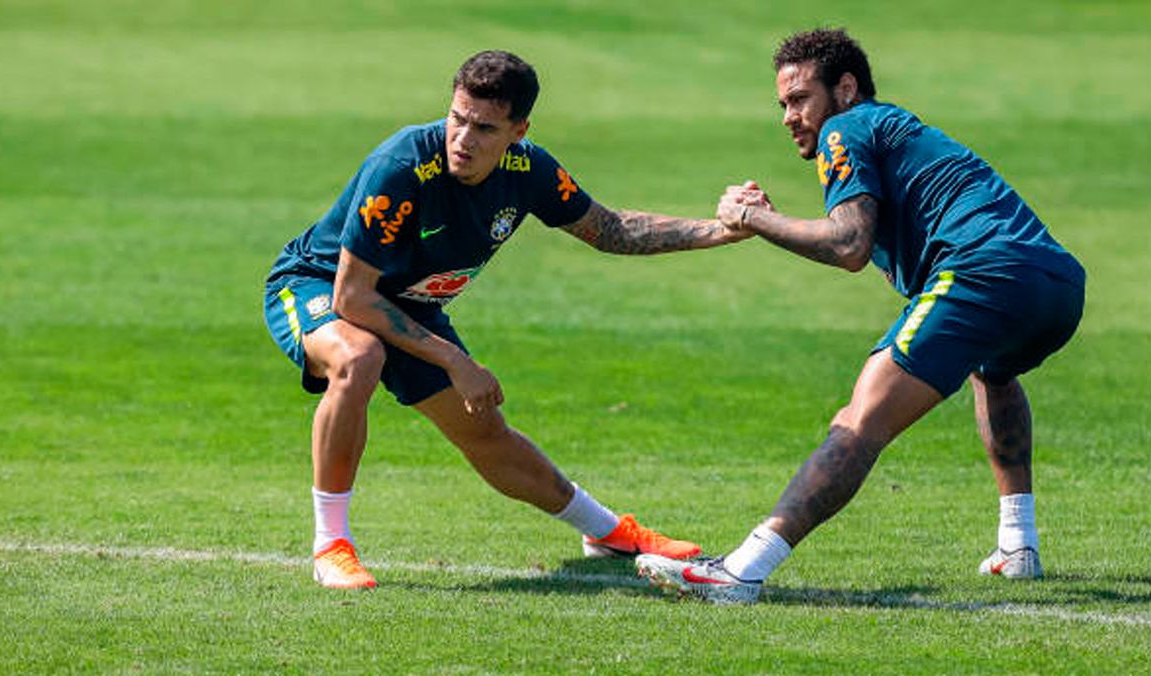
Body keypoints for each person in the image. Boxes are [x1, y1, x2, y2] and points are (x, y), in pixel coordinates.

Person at [263, 50, 749, 589]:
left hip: (407, 304)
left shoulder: (529, 170)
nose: (463, 140)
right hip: (318, 286)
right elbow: (353, 299)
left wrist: (721, 231)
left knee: (485, 432)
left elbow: (612, 230)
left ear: (519, 131)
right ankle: (331, 545)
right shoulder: (401, 166)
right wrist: (455, 361)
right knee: (359, 357)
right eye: (457, 118)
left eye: (484, 128)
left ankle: (607, 531)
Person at [637, 28, 1085, 604]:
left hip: (983, 274)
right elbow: (862, 242)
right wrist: (774, 222)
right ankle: (1017, 544)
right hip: (1057, 286)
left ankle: (741, 572)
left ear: (845, 88)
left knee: (859, 420)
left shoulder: (845, 129)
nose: (789, 117)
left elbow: (847, 245)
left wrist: (751, 219)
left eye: (800, 99)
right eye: (782, 105)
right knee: (992, 371)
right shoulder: (894, 134)